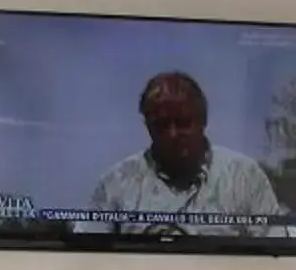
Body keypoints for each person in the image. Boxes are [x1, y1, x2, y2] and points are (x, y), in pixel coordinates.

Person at [86, 72, 281, 234]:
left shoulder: (244, 176)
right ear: (147, 126)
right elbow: (88, 257)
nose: (172, 134)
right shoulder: (116, 183)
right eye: (161, 125)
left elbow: (276, 251)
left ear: (202, 121)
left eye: (182, 123)